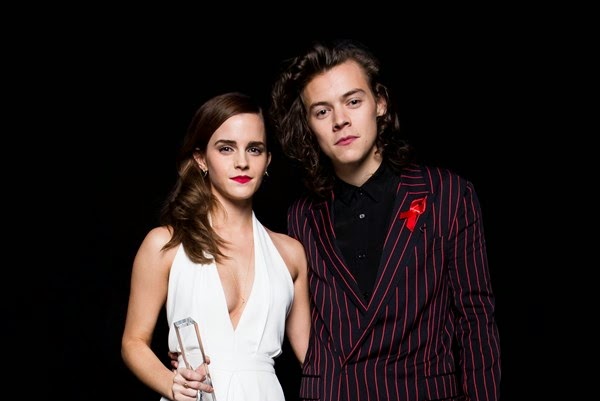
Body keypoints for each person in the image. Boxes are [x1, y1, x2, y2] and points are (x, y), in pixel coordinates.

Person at [267, 39, 501, 401]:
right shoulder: (302, 215)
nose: (340, 120)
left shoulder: (448, 194)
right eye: (322, 111)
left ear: (380, 103)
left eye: (353, 101)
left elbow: (476, 319)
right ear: (309, 125)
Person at [121, 91, 311, 401]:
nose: (242, 162)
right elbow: (133, 341)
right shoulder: (165, 244)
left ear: (267, 160)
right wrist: (170, 383)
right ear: (201, 158)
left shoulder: (290, 254)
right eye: (226, 148)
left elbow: (314, 361)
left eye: (254, 149)